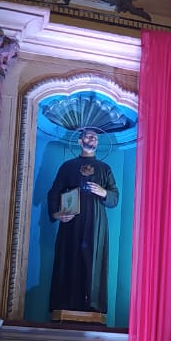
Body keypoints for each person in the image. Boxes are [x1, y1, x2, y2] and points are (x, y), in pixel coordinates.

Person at [47, 128, 120, 316]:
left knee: (93, 262)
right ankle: (65, 303)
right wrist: (56, 214)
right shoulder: (68, 166)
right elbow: (54, 192)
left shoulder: (105, 169)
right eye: (88, 136)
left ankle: (92, 306)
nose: (93, 139)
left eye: (95, 137)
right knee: (69, 259)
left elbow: (114, 197)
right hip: (71, 223)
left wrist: (103, 192)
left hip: (96, 224)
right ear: (80, 142)